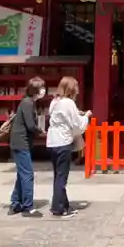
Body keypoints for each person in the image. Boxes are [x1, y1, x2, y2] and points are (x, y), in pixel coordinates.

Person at [46, 76, 91, 218]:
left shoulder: (55, 102)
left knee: (58, 176)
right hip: (62, 141)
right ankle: (58, 209)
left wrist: (78, 114)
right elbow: (77, 125)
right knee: (62, 177)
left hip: (52, 141)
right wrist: (87, 116)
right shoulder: (69, 103)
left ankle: (63, 205)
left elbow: (64, 116)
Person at [9, 76, 46, 218]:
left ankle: (15, 203)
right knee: (28, 175)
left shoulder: (28, 102)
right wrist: (41, 131)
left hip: (20, 142)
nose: (44, 90)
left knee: (22, 174)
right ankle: (28, 207)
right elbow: (31, 125)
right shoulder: (28, 103)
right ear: (35, 90)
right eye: (42, 88)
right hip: (21, 142)